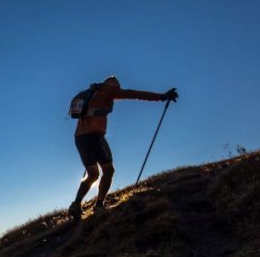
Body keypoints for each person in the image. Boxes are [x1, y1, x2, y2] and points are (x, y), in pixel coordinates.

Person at [68, 76, 178, 220]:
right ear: (113, 86)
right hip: (95, 137)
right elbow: (134, 94)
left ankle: (76, 204)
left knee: (93, 174)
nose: (118, 90)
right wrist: (162, 96)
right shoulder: (109, 91)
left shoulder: (92, 92)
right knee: (108, 170)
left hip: (80, 138)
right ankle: (99, 206)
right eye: (118, 87)